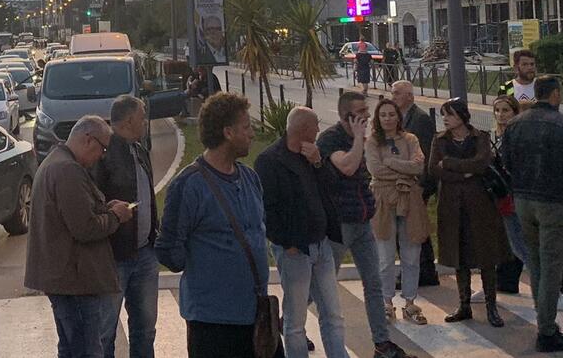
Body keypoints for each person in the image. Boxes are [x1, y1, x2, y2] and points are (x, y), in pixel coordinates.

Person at [156, 93, 279, 358]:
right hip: (213, 323)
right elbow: (169, 252)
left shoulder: (250, 178)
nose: (252, 133)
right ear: (228, 132)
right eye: (246, 127)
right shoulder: (189, 186)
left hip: (256, 316)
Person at [25, 115, 132, 358]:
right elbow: (85, 228)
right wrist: (115, 216)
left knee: (70, 348)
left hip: (64, 277)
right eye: (103, 148)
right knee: (86, 349)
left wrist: (105, 208)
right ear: (88, 139)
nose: (102, 155)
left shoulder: (56, 162)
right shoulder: (68, 170)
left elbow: (73, 214)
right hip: (74, 280)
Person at [316, 91, 411, 358]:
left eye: (367, 112)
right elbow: (347, 167)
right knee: (322, 286)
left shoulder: (361, 139)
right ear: (346, 115)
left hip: (362, 219)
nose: (367, 117)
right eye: (361, 113)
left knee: (373, 283)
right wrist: (359, 139)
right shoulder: (331, 139)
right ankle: (288, 322)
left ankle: (382, 343)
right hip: (339, 224)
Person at [255, 106, 348, 358]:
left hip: (321, 244)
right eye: (315, 125)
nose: (318, 130)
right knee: (295, 320)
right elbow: (266, 209)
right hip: (295, 249)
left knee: (333, 314)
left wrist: (318, 163)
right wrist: (286, 243)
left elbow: (332, 187)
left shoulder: (312, 155)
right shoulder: (270, 160)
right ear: (303, 129)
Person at [429, 97, 510, 328]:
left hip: (480, 203)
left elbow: (481, 163)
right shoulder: (439, 140)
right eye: (444, 115)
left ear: (462, 116)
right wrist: (463, 173)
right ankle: (464, 304)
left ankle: (491, 306)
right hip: (452, 203)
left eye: (450, 114)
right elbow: (434, 170)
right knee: (459, 253)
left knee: (486, 253)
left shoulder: (479, 137)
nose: (445, 119)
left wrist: (450, 163)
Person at [501, 76, 563, 352]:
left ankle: (544, 323)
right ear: (555, 94)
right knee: (551, 265)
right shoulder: (559, 124)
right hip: (553, 202)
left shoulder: (514, 124)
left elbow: (506, 162)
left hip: (523, 200)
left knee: (536, 263)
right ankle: (546, 331)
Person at [93, 97, 159, 358]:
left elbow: (148, 197)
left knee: (145, 329)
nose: (145, 122)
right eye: (142, 117)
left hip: (145, 254)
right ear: (129, 120)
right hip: (115, 258)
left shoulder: (139, 150)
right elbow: (93, 203)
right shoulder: (104, 155)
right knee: (105, 332)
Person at [364, 99, 428, 325]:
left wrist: (391, 161)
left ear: (398, 117)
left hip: (409, 198)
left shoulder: (410, 139)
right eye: (383, 115)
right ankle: (386, 302)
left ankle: (410, 302)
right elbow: (375, 169)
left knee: (411, 254)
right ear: (377, 118)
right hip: (382, 200)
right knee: (385, 256)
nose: (388, 118)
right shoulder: (372, 142)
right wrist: (404, 170)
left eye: (392, 114)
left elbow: (419, 166)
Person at [389, 81, 439, 287]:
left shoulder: (420, 119)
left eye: (397, 93)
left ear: (409, 96)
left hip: (416, 185)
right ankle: (423, 270)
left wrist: (422, 186)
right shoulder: (402, 118)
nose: (393, 97)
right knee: (411, 228)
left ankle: (422, 271)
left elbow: (425, 154)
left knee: (413, 228)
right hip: (403, 183)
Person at [486, 95, 527, 295]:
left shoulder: (517, 135)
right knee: (506, 242)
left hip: (514, 195)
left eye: (505, 110)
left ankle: (549, 286)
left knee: (519, 244)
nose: (501, 115)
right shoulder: (496, 136)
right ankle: (505, 282)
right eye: (497, 110)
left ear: (515, 112)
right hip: (499, 195)